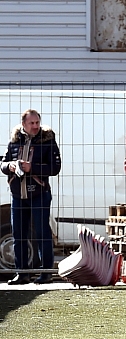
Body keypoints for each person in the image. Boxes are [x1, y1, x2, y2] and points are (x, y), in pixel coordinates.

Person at [1, 109, 61, 284]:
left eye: (37, 123)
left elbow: (55, 168)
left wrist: (32, 167)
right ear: (23, 124)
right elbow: (2, 164)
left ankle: (46, 272)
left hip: (39, 193)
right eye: (31, 123)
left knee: (42, 233)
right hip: (17, 194)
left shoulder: (48, 140)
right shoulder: (14, 141)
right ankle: (22, 273)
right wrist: (10, 166)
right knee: (18, 234)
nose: (35, 126)